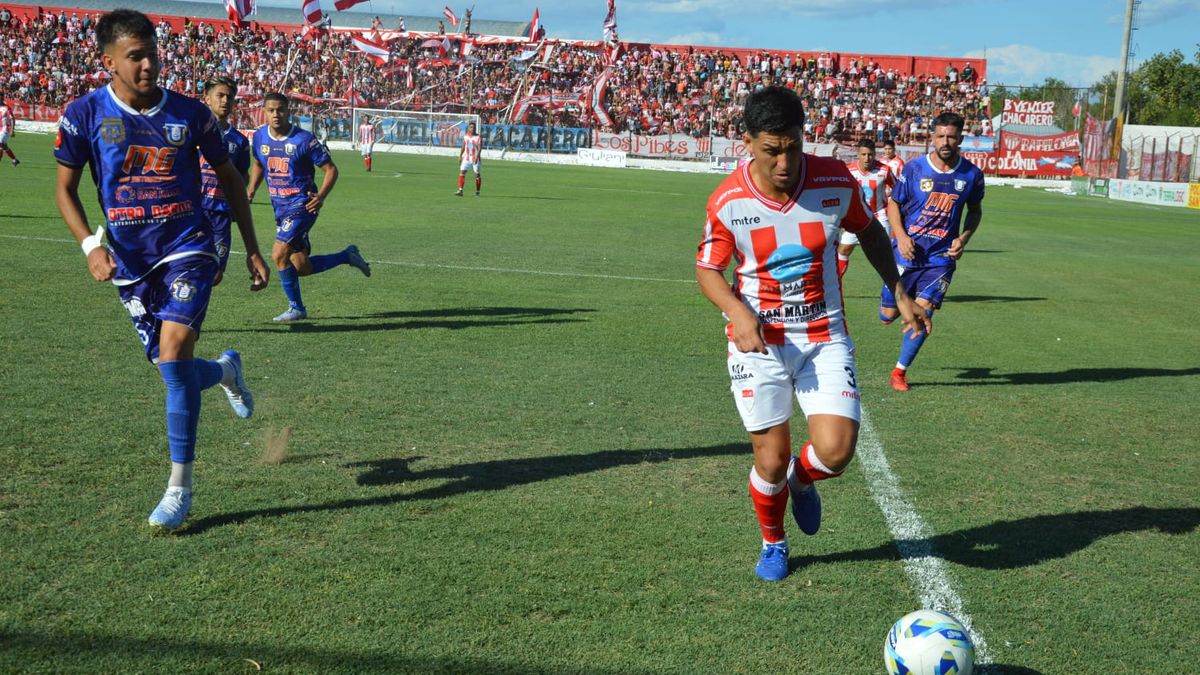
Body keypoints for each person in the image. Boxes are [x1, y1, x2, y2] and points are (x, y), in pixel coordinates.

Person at [695, 86, 929, 582]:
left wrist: (899, 289)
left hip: (824, 335)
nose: (784, 162)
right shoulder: (728, 200)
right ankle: (773, 543)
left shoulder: (833, 179)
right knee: (771, 457)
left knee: (837, 451)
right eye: (771, 150)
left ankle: (803, 482)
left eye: (793, 147)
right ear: (748, 143)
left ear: (805, 138)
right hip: (758, 341)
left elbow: (868, 231)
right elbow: (708, 270)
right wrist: (737, 312)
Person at [53, 9, 270, 531]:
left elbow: (231, 179)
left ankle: (180, 487)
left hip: (188, 245)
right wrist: (90, 247)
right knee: (173, 371)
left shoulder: (191, 115)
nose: (149, 63)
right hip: (129, 261)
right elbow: (64, 189)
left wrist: (251, 248)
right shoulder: (83, 114)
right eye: (135, 56)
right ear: (108, 61)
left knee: (174, 352)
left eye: (153, 52)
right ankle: (226, 371)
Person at [880, 111, 984, 392]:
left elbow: (975, 212)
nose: (945, 141)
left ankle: (899, 371)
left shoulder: (972, 175)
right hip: (906, 253)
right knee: (888, 314)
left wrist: (964, 237)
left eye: (951, 136)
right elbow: (894, 205)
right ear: (933, 137)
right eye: (940, 136)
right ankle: (899, 304)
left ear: (960, 138)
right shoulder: (914, 169)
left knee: (924, 314)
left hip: (940, 259)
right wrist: (901, 236)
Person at [248, 92, 371, 322]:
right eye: (271, 110)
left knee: (278, 253)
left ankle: (296, 308)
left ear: (288, 111)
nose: (276, 114)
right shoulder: (259, 137)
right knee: (301, 266)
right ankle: (347, 256)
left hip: (303, 205)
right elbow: (258, 164)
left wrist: (321, 196)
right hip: (280, 208)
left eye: (281, 110)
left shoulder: (304, 140)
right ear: (264, 112)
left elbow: (331, 170)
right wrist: (252, 189)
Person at [199, 75, 251, 286]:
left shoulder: (239, 141)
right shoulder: (193, 131)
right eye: (219, 95)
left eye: (229, 97)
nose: (225, 101)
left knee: (216, 274)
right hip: (194, 208)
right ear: (207, 99)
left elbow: (242, 175)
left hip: (221, 212)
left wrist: (236, 201)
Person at [838, 138, 895, 278]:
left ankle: (894, 288)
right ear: (858, 154)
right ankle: (835, 281)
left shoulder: (884, 170)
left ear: (875, 154)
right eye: (863, 154)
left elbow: (899, 189)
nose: (867, 158)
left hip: (879, 216)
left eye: (870, 154)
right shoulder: (849, 170)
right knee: (844, 249)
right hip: (857, 217)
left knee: (885, 254)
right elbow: (844, 194)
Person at [455, 121, 482, 197]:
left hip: (475, 158)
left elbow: (480, 148)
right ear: (468, 128)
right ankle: (460, 190)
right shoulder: (465, 136)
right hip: (466, 158)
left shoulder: (478, 137)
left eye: (474, 127)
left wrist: (477, 156)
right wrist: (460, 156)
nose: (472, 129)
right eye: (471, 127)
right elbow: (463, 146)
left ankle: (477, 192)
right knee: (462, 172)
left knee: (477, 174)